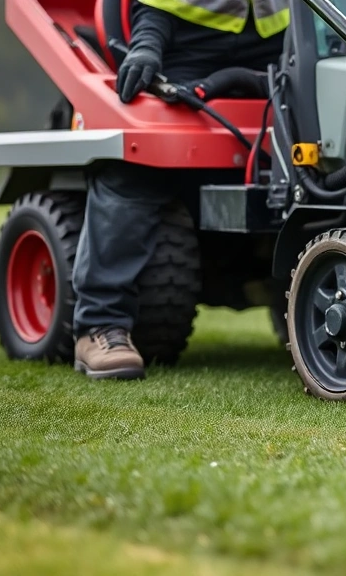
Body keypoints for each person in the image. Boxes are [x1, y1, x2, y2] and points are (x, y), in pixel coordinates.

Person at [72, 0, 289, 380]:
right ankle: (100, 326)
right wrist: (147, 43)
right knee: (138, 167)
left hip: (282, 45)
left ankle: (306, 304)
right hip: (185, 46)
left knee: (320, 165)